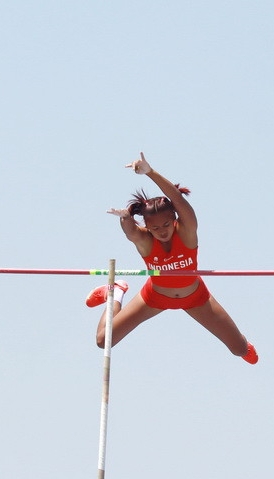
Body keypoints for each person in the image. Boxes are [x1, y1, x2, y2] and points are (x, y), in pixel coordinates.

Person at [85, 152, 258, 364]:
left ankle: (242, 345)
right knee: (103, 341)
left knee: (239, 350)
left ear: (174, 219)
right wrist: (125, 218)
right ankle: (116, 292)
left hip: (195, 298)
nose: (162, 231)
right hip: (153, 298)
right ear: (147, 227)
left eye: (166, 225)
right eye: (155, 228)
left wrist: (150, 173)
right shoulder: (146, 240)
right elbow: (131, 232)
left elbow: (177, 199)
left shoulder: (187, 231)